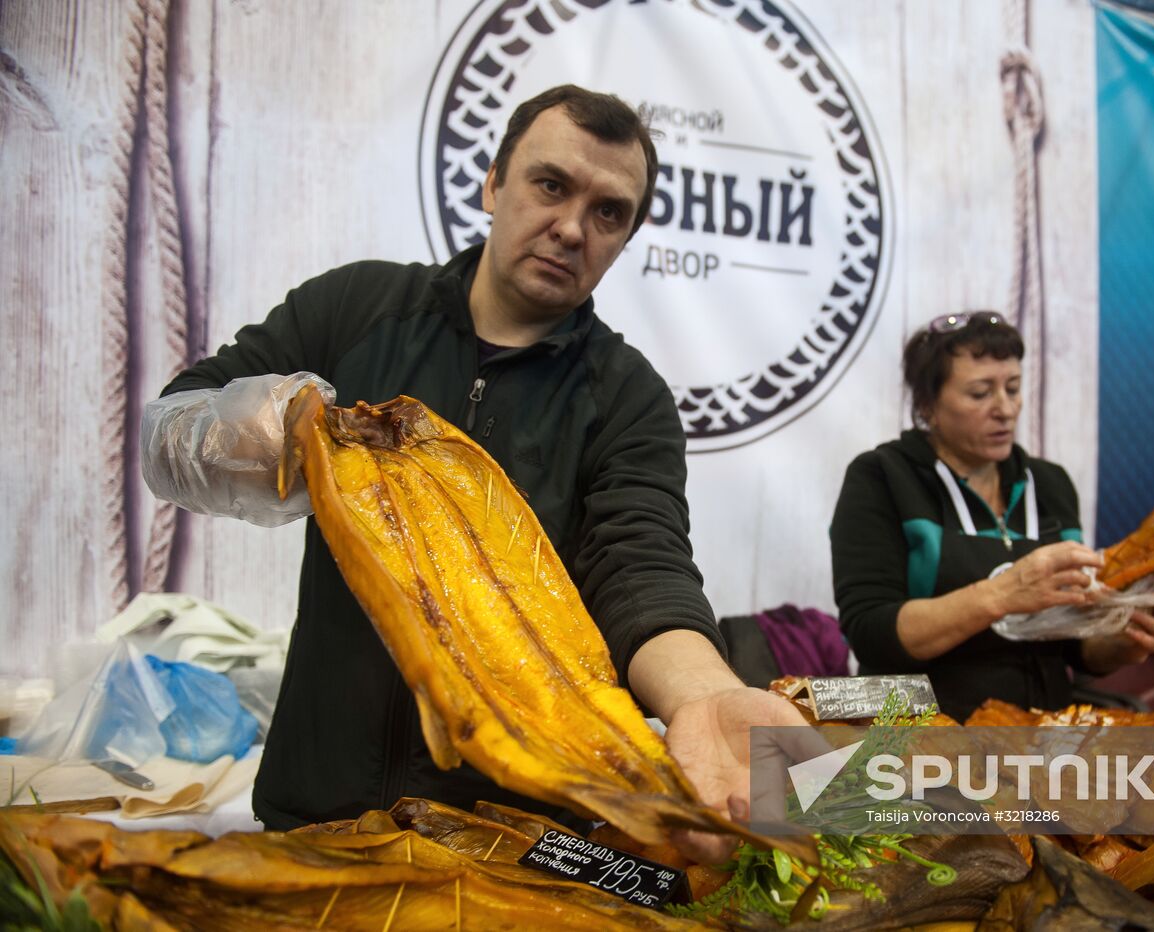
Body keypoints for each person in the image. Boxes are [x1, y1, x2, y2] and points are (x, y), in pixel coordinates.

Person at [142, 85, 805, 854]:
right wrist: (277, 426)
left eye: (608, 212)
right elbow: (174, 422)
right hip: (313, 815)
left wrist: (708, 693)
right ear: (494, 182)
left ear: (628, 236)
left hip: (510, 838)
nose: (569, 228)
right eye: (550, 185)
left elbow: (640, 564)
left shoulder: (626, 397)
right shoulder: (357, 309)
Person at [828, 312, 1154, 722]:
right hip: (920, 729)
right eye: (980, 393)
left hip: (1041, 727)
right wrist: (1000, 595)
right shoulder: (883, 477)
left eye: (1013, 388)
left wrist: (1118, 644)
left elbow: (1072, 645)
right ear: (927, 405)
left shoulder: (1049, 484)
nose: (1005, 409)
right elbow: (871, 633)